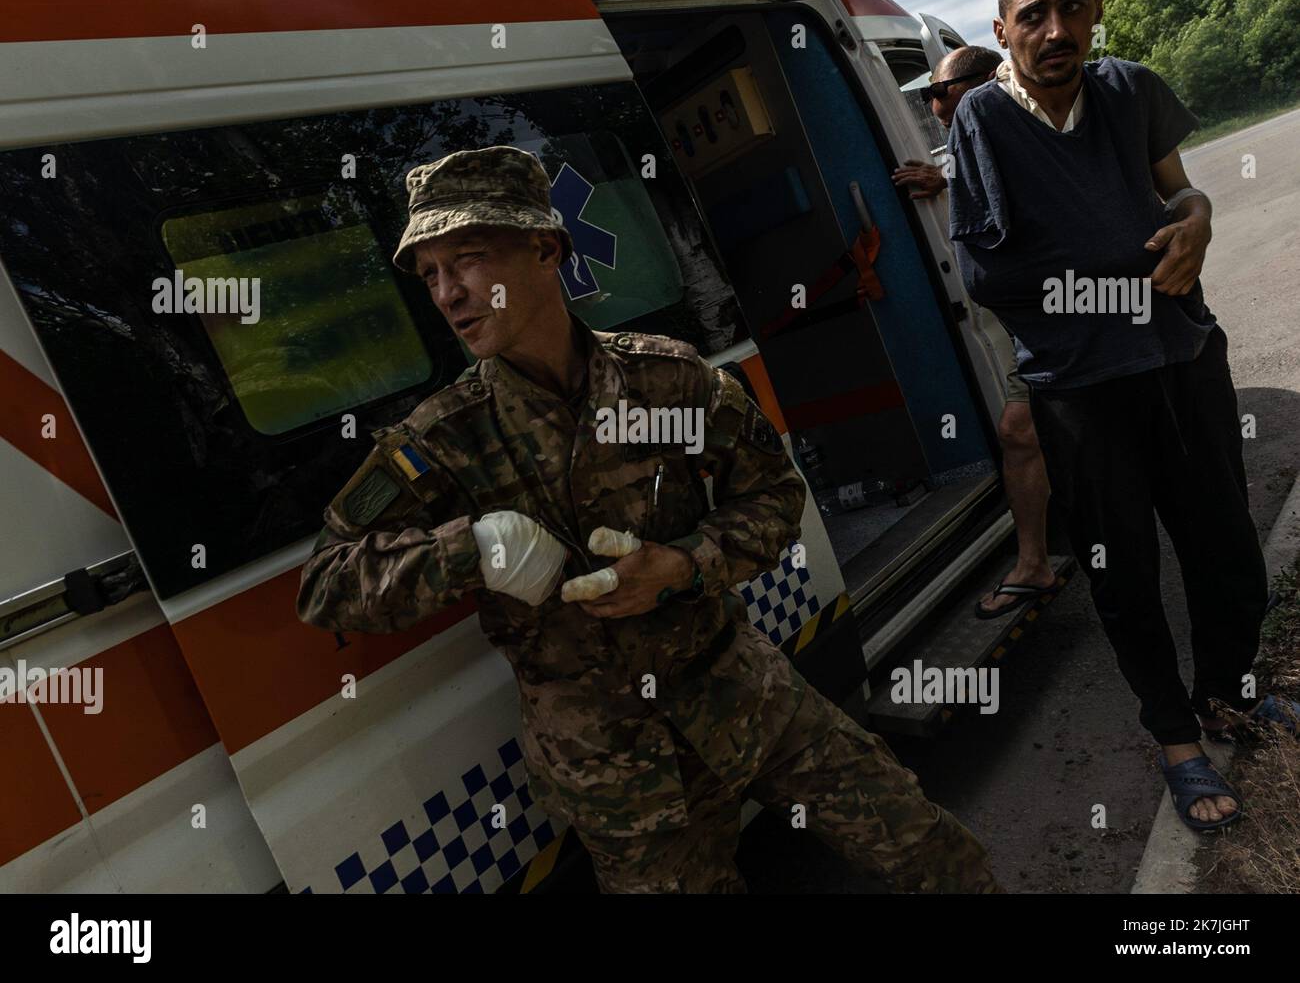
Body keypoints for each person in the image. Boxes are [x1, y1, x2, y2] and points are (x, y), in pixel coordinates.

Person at [296, 145, 1003, 892]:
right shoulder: (443, 439)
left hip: (745, 696)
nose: (447, 294)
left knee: (925, 850)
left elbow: (773, 497)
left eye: (467, 259)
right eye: (431, 274)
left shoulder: (668, 380)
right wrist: (469, 551)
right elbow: (326, 583)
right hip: (616, 776)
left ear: (545, 249)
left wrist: (689, 563)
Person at [945, 0, 1299, 831]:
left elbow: (1178, 187)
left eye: (1073, 7)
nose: (1056, 28)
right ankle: (1176, 738)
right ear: (1004, 31)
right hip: (1079, 392)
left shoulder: (1130, 87)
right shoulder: (983, 122)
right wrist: (1128, 285)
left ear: (1096, 10)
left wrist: (1201, 216)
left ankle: (1228, 693)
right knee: (1124, 571)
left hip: (1183, 359)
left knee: (1226, 549)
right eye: (1035, 14)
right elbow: (989, 274)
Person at [892, 45, 1057, 620]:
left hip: (1061, 316)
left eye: (939, 92)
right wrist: (945, 181)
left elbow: (1031, 191)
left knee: (1021, 430)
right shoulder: (969, 140)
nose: (932, 105)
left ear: (984, 83)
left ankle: (1037, 560)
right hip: (1027, 321)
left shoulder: (1033, 120)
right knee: (1025, 431)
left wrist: (948, 184)